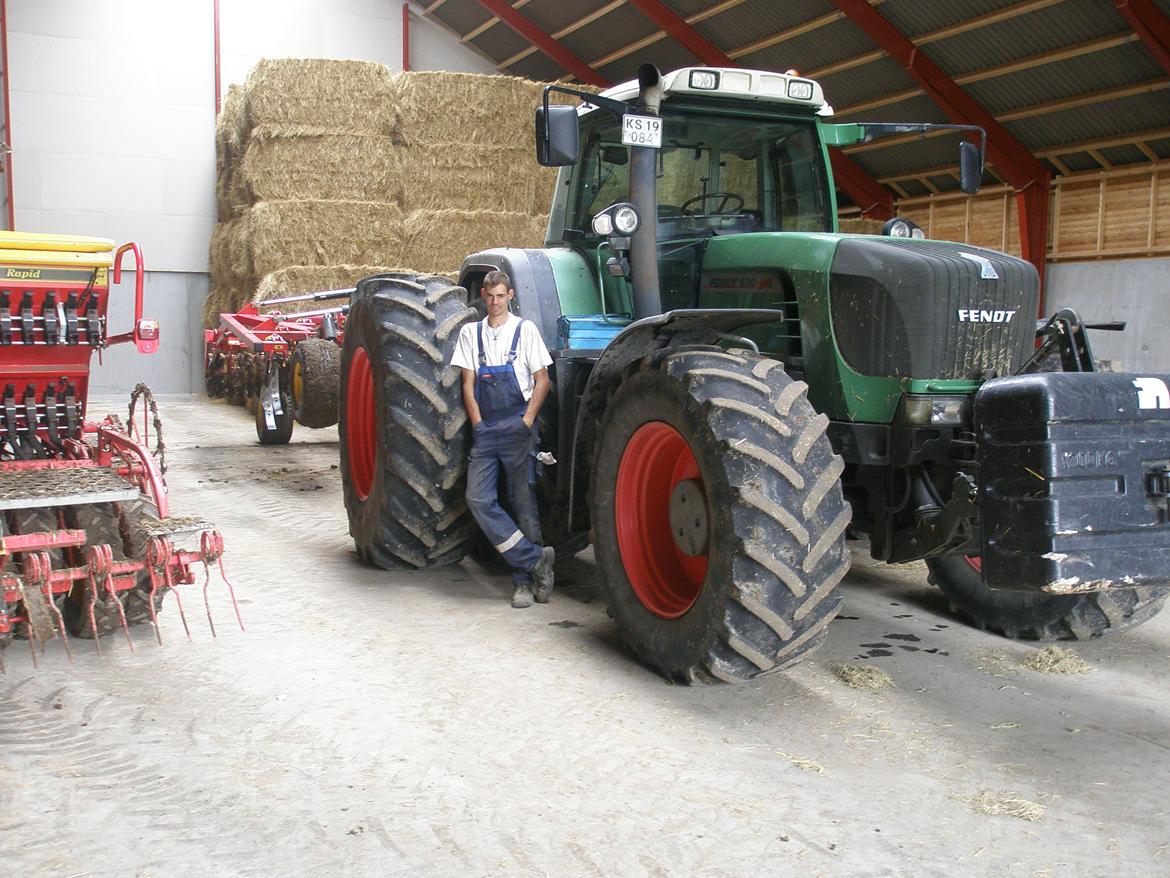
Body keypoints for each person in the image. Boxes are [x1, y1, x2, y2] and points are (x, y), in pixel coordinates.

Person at [450, 270, 556, 608]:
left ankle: (523, 582)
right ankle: (535, 560)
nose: (495, 302)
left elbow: (543, 381)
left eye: (501, 296)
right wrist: (478, 423)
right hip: (486, 429)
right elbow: (468, 385)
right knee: (479, 499)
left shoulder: (525, 330)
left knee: (522, 503)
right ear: (483, 295)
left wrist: (526, 422)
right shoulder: (471, 333)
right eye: (490, 296)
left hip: (517, 426)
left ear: (510, 295)